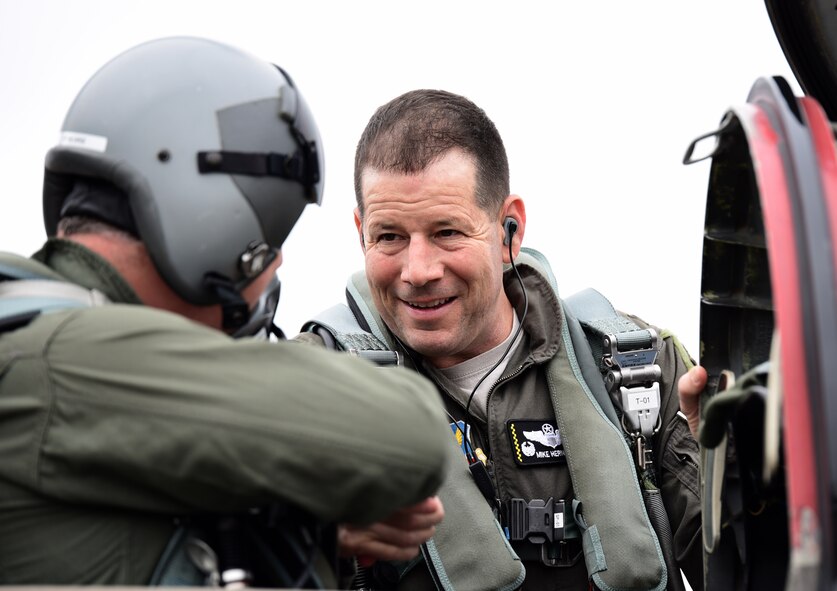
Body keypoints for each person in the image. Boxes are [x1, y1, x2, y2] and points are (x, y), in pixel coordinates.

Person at [0, 38, 452, 588]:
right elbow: (408, 434)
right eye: (270, 233)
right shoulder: (59, 358)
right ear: (217, 223)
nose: (276, 260)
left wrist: (300, 523)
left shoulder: (30, 331)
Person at [300, 89, 708, 591]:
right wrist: (311, 536)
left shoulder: (637, 371)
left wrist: (737, 475)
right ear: (360, 230)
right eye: (389, 237)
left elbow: (758, 563)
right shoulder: (313, 391)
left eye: (447, 232)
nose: (419, 270)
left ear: (507, 229)